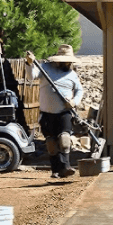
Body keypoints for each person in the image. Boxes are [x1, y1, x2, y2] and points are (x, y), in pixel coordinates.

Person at [25, 45, 84, 178]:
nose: (66, 63)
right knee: (51, 142)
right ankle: (56, 170)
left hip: (64, 112)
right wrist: (29, 63)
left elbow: (80, 90)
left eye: (68, 61)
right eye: (63, 61)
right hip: (47, 113)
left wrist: (74, 102)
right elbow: (31, 76)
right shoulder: (45, 68)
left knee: (64, 139)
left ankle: (66, 166)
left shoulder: (72, 74)